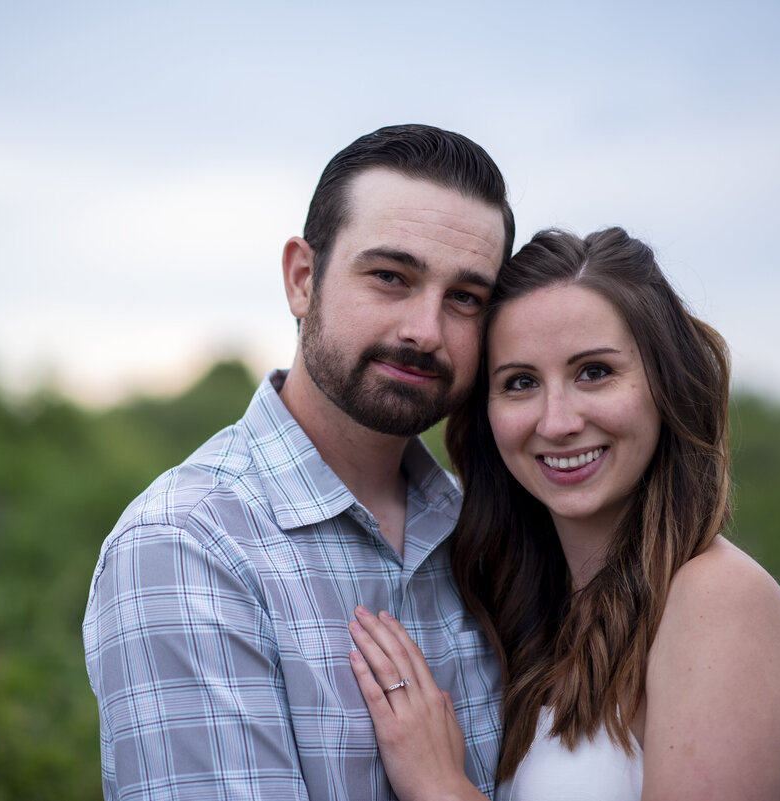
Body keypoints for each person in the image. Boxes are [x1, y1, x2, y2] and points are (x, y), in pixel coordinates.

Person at [82, 124, 516, 800]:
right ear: (302, 278)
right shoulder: (188, 543)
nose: (425, 330)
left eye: (465, 298)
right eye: (391, 276)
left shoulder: (489, 532)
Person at [348, 227, 780, 800]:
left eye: (593, 372)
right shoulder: (533, 615)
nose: (557, 421)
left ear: (665, 381)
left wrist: (440, 785)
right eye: (520, 383)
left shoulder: (719, 600)